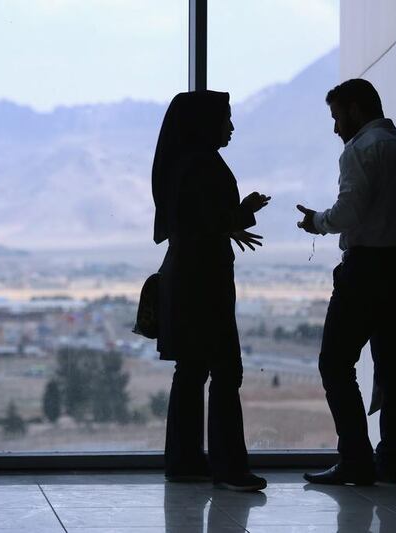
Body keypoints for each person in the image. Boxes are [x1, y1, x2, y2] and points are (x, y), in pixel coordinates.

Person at [298, 79, 396, 485]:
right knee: (394, 365)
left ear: (356, 110)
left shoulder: (361, 151)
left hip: (367, 270)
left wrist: (316, 222)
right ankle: (391, 461)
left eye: (338, 116)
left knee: (335, 362)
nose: (336, 127)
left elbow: (349, 212)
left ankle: (355, 458)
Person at [152, 90, 271, 492]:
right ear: (205, 123)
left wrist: (230, 222)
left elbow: (194, 222)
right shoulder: (202, 165)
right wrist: (244, 211)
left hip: (187, 280)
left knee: (191, 370)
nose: (231, 127)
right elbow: (206, 223)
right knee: (225, 371)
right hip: (204, 284)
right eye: (226, 119)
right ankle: (229, 469)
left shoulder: (181, 164)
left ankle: (184, 461)